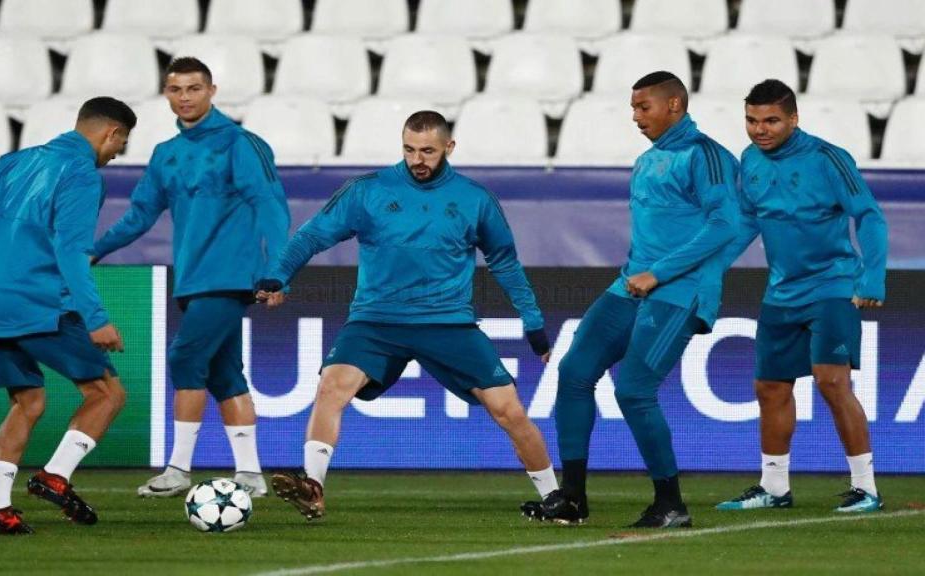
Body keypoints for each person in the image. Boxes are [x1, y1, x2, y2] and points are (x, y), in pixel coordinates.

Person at [257, 110, 557, 521]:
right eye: (410, 149)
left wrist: (534, 324)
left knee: (509, 410)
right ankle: (313, 486)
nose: (418, 159)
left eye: (428, 151)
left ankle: (557, 497)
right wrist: (279, 276)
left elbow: (505, 261)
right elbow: (312, 235)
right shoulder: (368, 191)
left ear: (449, 148)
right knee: (331, 385)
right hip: (376, 320)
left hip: (447, 322)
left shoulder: (474, 199)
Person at [522, 71, 741, 528]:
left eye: (644, 107)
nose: (636, 116)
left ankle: (671, 503)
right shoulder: (646, 161)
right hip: (631, 285)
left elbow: (724, 225)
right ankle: (573, 497)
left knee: (634, 390)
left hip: (680, 290)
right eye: (633, 107)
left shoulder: (707, 156)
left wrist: (658, 273)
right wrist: (639, 273)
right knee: (574, 372)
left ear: (675, 105)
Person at [0, 97, 137, 534]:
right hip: (36, 303)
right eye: (121, 143)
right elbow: (71, 251)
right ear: (111, 133)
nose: (119, 154)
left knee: (28, 401)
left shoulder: (10, 162)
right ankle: (55, 477)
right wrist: (95, 318)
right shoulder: (81, 175)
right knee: (106, 394)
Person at [90, 57, 290, 498]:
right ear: (166, 94)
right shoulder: (166, 154)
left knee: (184, 359)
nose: (185, 98)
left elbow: (270, 206)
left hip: (229, 276)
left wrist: (277, 271)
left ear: (212, 91)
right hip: (192, 279)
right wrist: (95, 250)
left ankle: (179, 469)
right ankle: (251, 476)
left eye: (194, 89)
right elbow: (141, 215)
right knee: (225, 375)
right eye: (176, 90)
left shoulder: (241, 143)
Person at [715, 79, 887, 513]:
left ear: (794, 118)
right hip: (781, 291)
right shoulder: (749, 161)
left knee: (832, 381)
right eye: (752, 120)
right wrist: (708, 270)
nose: (760, 130)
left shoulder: (829, 159)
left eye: (771, 120)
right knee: (769, 386)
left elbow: (869, 216)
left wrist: (872, 277)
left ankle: (866, 488)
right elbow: (745, 223)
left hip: (832, 286)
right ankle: (774, 487)